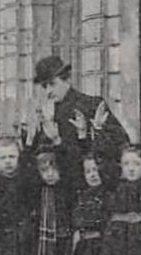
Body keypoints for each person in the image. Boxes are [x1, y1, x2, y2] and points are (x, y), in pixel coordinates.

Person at [32, 55, 129, 187]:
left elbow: (121, 142)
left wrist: (92, 133)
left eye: (52, 84)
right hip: (59, 187)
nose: (48, 91)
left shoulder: (92, 105)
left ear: (68, 80)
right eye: (45, 86)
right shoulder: (46, 113)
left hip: (88, 185)